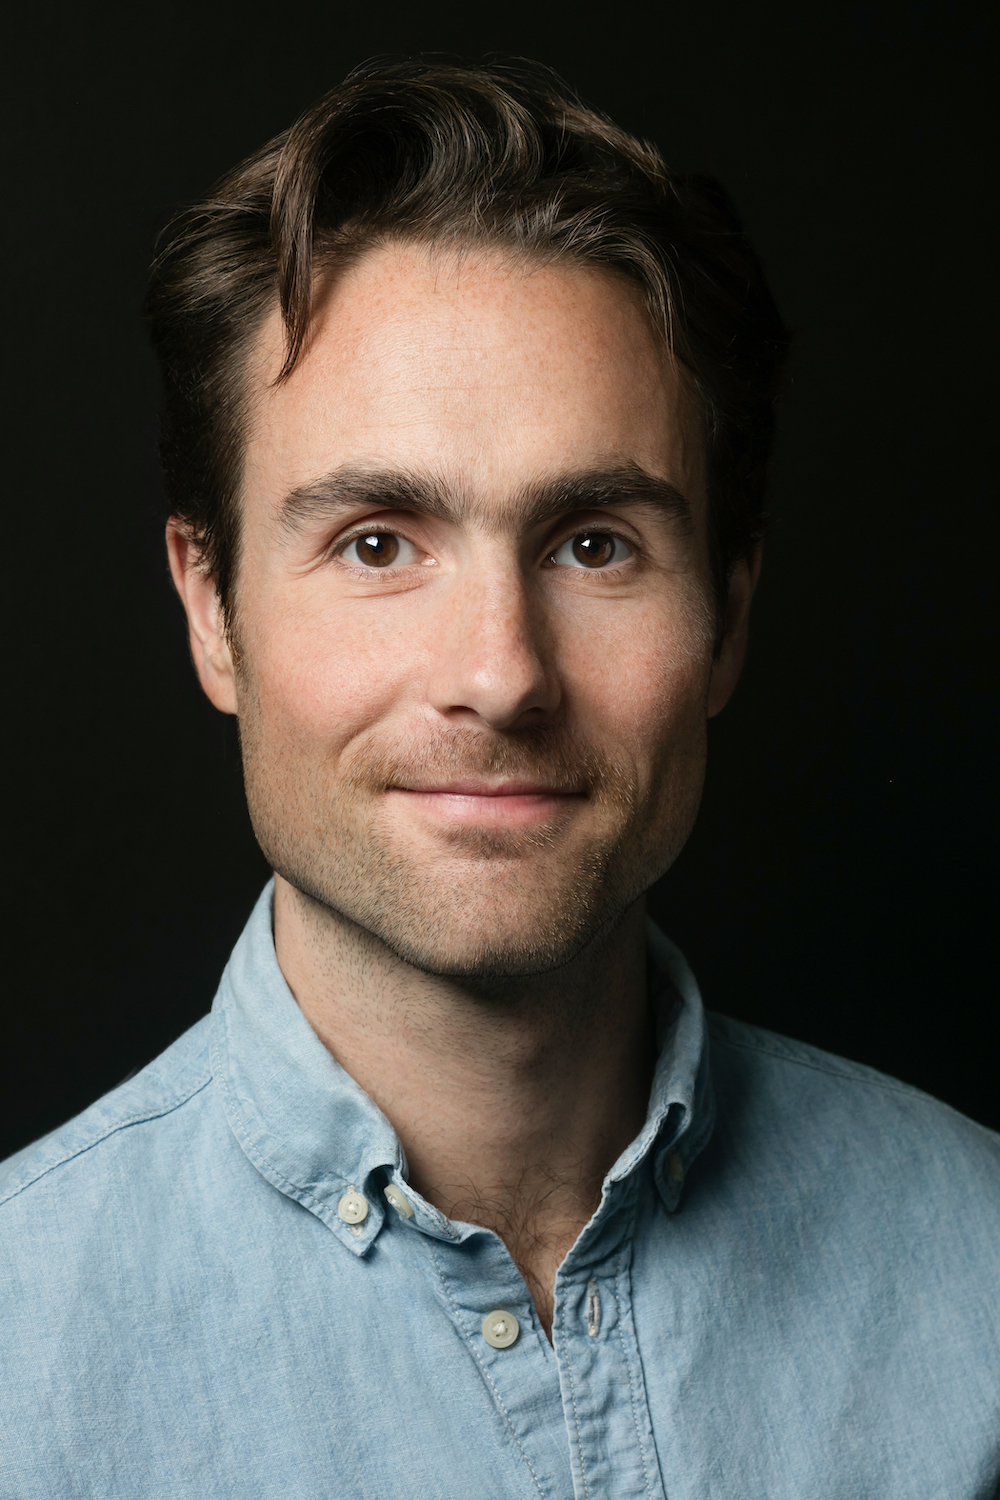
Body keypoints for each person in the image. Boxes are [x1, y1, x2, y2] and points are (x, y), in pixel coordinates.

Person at [1, 58, 997, 1500]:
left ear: (727, 612)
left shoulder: (978, 1265)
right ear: (210, 609)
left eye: (595, 542)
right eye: (378, 542)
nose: (502, 673)